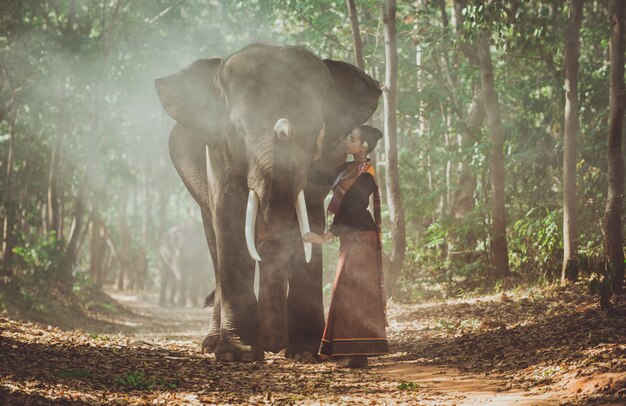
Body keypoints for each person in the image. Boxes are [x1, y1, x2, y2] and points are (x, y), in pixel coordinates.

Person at [303, 125, 388, 368]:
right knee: (347, 292)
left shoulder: (365, 174)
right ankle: (349, 352)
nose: (346, 141)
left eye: (352, 139)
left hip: (361, 238)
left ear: (364, 147)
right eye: (348, 136)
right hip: (352, 237)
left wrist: (325, 236)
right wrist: (318, 147)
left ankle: (357, 354)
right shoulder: (348, 169)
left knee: (353, 293)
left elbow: (352, 210)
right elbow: (318, 176)